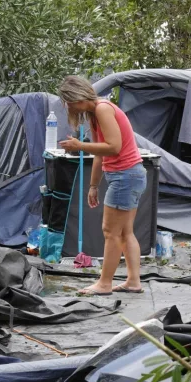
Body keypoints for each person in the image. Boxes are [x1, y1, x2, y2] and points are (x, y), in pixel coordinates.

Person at [57, 76, 147, 296]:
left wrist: (79, 145)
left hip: (125, 176)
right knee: (125, 232)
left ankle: (105, 283)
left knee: (111, 232)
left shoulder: (103, 109)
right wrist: (93, 186)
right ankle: (133, 281)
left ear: (76, 97)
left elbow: (114, 147)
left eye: (67, 101)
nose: (68, 106)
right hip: (129, 175)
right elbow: (100, 152)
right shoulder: (95, 114)